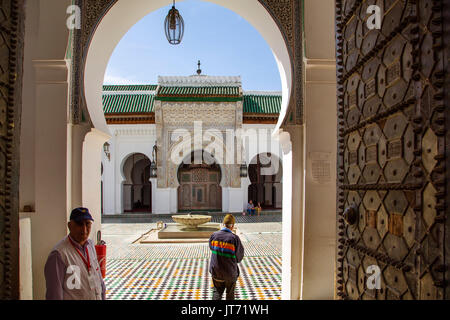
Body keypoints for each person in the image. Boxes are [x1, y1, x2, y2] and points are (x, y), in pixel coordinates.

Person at [44, 207, 106, 300]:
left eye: (87, 224)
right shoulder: (59, 254)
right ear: (69, 226)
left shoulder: (90, 245)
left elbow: (99, 279)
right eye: (79, 224)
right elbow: (54, 294)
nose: (84, 230)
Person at [209, 214, 244, 300]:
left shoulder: (214, 235)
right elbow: (239, 257)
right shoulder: (234, 238)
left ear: (223, 224)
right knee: (230, 294)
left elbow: (211, 248)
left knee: (217, 292)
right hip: (230, 273)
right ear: (232, 226)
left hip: (216, 271)